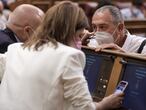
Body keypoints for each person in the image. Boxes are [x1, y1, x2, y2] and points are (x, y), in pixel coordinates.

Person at [0, 1, 124, 110]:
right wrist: (104, 104)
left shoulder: (15, 48)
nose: (80, 40)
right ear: (71, 32)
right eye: (80, 35)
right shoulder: (69, 56)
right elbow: (85, 108)